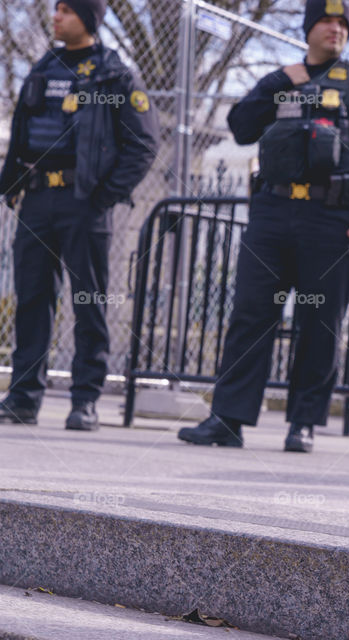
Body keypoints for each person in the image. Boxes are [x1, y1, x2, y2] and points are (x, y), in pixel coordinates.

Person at [177, 0, 349, 453]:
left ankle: (303, 423)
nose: (335, 29)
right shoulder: (281, 81)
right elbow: (240, 126)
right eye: (326, 20)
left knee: (320, 323)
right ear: (308, 28)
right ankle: (228, 420)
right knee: (250, 315)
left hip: (334, 221)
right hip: (272, 215)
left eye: (342, 23)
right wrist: (281, 81)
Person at [0, 0, 159, 431]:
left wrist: (104, 196)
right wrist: (9, 185)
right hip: (36, 200)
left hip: (85, 202)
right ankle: (23, 397)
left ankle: (85, 400)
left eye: (67, 10)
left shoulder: (114, 73)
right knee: (32, 298)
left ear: (87, 20)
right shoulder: (42, 68)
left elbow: (143, 144)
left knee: (88, 302)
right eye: (56, 10)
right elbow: (22, 133)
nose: (56, 16)